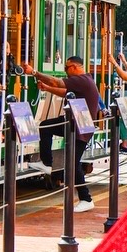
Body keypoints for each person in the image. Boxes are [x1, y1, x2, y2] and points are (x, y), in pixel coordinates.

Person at [27, 55, 102, 206]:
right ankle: (47, 163)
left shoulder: (81, 80)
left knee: (73, 163)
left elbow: (57, 82)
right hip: (76, 124)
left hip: (79, 126)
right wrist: (47, 89)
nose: (65, 71)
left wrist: (34, 72)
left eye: (66, 68)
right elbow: (64, 92)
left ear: (75, 67)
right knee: (46, 127)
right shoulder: (85, 80)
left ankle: (86, 199)